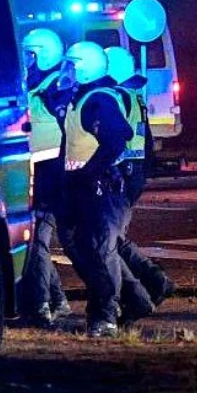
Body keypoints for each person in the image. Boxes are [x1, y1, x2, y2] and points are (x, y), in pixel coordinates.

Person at [60, 42, 154, 337]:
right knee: (87, 248)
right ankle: (134, 300)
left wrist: (90, 170)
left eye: (73, 66)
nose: (68, 72)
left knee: (101, 252)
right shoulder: (85, 97)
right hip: (84, 188)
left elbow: (118, 137)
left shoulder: (98, 100)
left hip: (100, 189)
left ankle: (105, 317)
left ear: (86, 69)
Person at [104, 46, 177, 311]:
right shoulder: (134, 98)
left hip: (121, 176)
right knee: (113, 239)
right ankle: (154, 283)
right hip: (132, 174)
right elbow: (145, 145)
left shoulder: (118, 99)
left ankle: (152, 285)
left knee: (110, 241)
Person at [18, 28, 73, 328]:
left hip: (49, 175)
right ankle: (59, 300)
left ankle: (40, 308)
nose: (24, 59)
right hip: (36, 172)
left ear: (43, 54)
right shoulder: (34, 84)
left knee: (37, 241)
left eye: (29, 54)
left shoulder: (56, 86)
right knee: (34, 243)